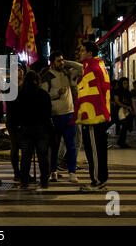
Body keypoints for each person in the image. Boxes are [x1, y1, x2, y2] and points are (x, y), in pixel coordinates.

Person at [73, 41, 111, 192]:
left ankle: (97, 181)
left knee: (94, 151)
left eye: (82, 51)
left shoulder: (92, 69)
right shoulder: (98, 66)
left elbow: (88, 96)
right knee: (100, 151)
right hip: (100, 116)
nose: (80, 53)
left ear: (90, 53)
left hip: (93, 118)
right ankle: (101, 179)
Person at [40, 50, 83, 183]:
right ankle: (53, 171)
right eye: (59, 61)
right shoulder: (47, 76)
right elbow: (43, 96)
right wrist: (57, 94)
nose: (62, 63)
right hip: (55, 116)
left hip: (69, 114)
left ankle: (72, 172)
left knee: (71, 145)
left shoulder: (67, 73)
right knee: (55, 145)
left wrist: (67, 62)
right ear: (52, 63)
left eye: (62, 60)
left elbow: (81, 68)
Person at [15, 70, 52, 190]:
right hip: (41, 129)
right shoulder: (44, 94)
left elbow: (17, 112)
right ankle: (44, 180)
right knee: (43, 156)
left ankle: (24, 181)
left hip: (26, 129)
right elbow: (48, 113)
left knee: (26, 156)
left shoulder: (20, 95)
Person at [5, 65, 26, 183]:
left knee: (26, 148)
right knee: (15, 146)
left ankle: (25, 172)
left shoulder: (27, 85)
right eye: (17, 70)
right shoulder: (9, 86)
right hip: (13, 121)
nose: (19, 72)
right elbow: (10, 105)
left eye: (21, 69)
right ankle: (16, 173)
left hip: (25, 122)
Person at [115, 77, 136, 148]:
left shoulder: (128, 92)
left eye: (127, 83)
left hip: (127, 110)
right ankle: (121, 142)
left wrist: (134, 110)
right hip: (120, 110)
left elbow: (132, 101)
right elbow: (117, 101)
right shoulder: (117, 91)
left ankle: (121, 141)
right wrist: (125, 106)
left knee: (126, 126)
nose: (126, 85)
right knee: (124, 125)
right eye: (124, 83)